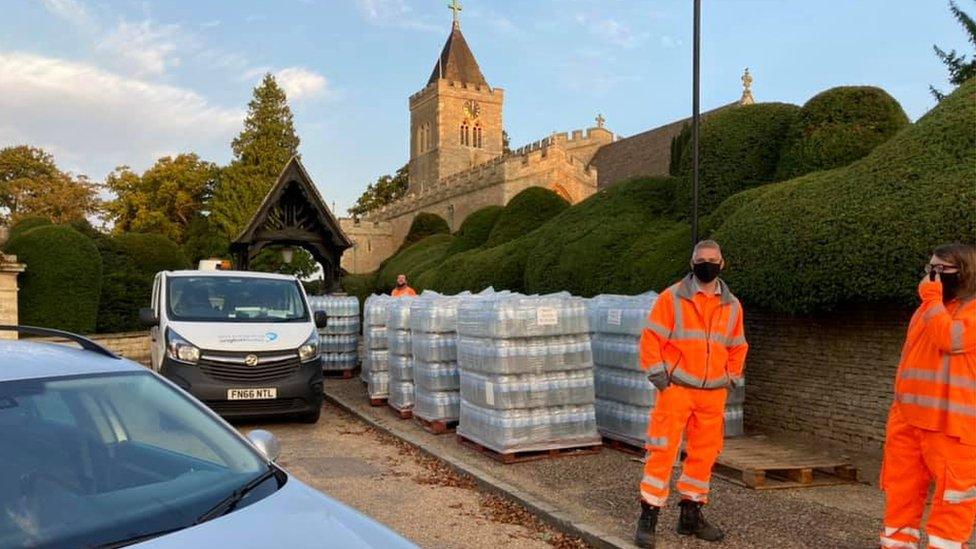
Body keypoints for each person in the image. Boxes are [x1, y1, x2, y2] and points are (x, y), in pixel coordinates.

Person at [634, 239, 748, 548]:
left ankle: (691, 515)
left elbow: (737, 345)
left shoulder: (732, 305)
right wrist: (660, 378)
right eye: (701, 260)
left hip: (713, 393)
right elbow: (651, 339)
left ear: (722, 264)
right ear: (692, 263)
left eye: (712, 259)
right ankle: (649, 515)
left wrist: (732, 377)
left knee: (705, 454)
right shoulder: (671, 298)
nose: (707, 264)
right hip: (677, 390)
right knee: (662, 451)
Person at [880, 242, 976, 549]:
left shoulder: (969, 310)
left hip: (952, 428)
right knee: (900, 497)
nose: (932, 277)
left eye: (941, 270)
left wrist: (932, 300)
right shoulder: (926, 310)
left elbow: (950, 339)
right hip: (908, 422)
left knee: (952, 506)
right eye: (929, 269)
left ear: (965, 273)